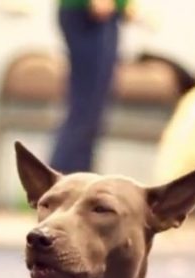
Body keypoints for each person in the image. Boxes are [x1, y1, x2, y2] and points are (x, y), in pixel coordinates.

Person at [50, 0, 134, 174]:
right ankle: (55, 185)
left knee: (92, 113)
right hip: (89, 14)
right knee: (85, 111)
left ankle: (78, 184)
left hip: (102, 15)